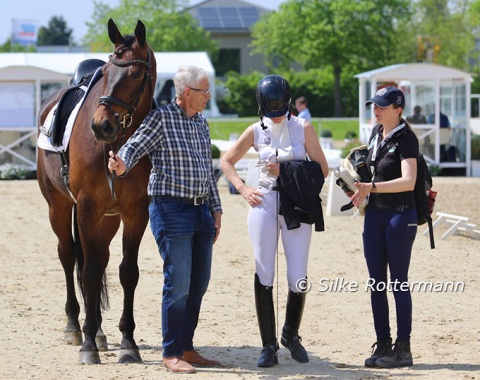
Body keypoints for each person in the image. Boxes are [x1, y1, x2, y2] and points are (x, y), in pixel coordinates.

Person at [108, 65, 222, 374]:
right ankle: (171, 352)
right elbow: (135, 145)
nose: (208, 96)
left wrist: (217, 208)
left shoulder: (201, 122)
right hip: (171, 211)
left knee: (198, 283)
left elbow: (206, 171)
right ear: (187, 93)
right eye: (204, 91)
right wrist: (121, 164)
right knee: (179, 283)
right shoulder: (160, 119)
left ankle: (186, 347)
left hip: (201, 212)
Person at [221, 75, 329, 367]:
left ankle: (291, 334)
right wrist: (243, 188)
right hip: (264, 203)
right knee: (264, 272)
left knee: (298, 275)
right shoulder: (256, 130)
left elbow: (322, 169)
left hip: (297, 204)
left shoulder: (303, 127)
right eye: (272, 113)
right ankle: (268, 344)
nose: (277, 117)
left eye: (281, 112)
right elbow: (226, 160)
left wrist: (287, 170)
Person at [350, 86, 417, 368]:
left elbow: (409, 181)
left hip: (400, 215)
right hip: (375, 215)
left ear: (398, 109)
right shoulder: (376, 134)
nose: (375, 109)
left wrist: (372, 187)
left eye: (382, 106)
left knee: (398, 281)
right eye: (373, 105)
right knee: (376, 283)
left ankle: (403, 348)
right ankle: (383, 343)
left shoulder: (407, 138)